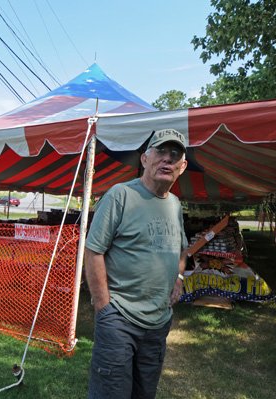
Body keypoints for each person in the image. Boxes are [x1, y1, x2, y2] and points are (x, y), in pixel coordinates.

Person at [85, 128, 189, 399]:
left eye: (174, 155)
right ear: (145, 159)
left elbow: (182, 250)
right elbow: (93, 250)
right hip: (118, 317)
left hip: (158, 322)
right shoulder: (120, 195)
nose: (167, 160)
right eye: (160, 152)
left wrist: (178, 279)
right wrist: (103, 306)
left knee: (145, 393)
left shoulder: (176, 205)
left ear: (182, 166)